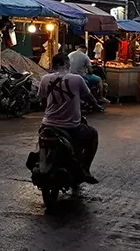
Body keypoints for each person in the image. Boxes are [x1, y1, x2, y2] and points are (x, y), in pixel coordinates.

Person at [38, 53, 102, 184]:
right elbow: (89, 98)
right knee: (93, 135)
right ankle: (85, 169)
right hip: (71, 127)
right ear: (67, 65)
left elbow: (43, 102)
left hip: (47, 125)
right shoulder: (77, 79)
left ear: (52, 65)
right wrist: (96, 106)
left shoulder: (45, 79)